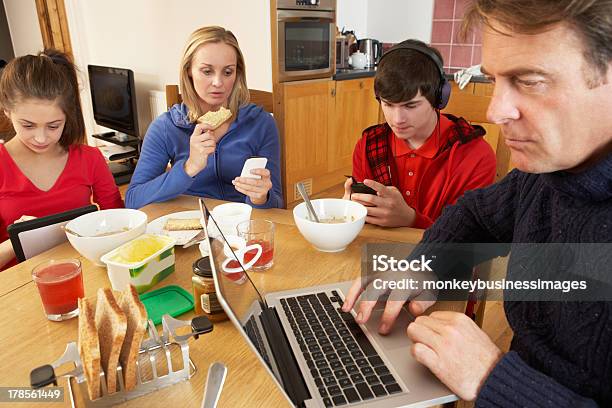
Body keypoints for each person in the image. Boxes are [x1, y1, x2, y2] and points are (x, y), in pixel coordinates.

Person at [342, 0, 612, 405]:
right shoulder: (540, 178)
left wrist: (494, 377)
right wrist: (422, 267)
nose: (495, 111)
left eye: (531, 80)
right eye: (496, 80)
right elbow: (475, 214)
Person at [343, 39, 496, 228]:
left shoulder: (475, 156)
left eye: (411, 105)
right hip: (379, 254)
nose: (397, 119)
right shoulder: (368, 146)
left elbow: (469, 238)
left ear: (439, 98)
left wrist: (411, 220)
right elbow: (365, 227)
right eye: (388, 104)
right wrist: (350, 212)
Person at [126, 26, 283, 209]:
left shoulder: (262, 123)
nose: (218, 83)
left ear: (237, 73)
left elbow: (277, 203)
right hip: (190, 227)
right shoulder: (165, 127)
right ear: (189, 71)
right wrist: (190, 167)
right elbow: (133, 200)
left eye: (227, 72)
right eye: (207, 71)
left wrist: (261, 198)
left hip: (243, 227)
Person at [0, 50, 124, 271]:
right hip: (17, 287)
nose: (40, 138)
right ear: (7, 111)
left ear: (68, 115)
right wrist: (17, 240)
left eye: (54, 125)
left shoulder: (89, 158)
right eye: (28, 125)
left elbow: (119, 223)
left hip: (83, 272)